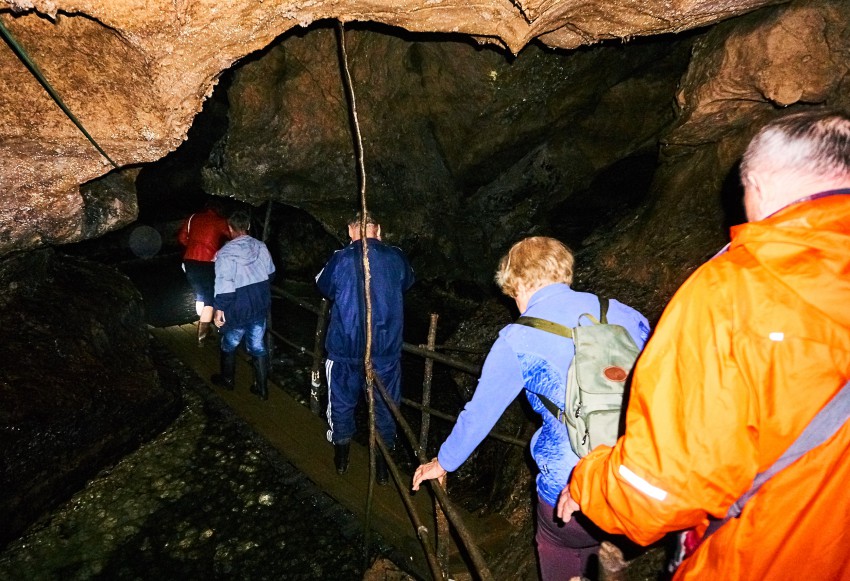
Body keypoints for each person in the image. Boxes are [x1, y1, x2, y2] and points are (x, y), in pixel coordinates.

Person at [559, 110, 850, 579]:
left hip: (763, 557)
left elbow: (661, 486)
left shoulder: (734, 293)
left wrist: (587, 481)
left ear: (757, 185)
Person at [412, 236, 650, 580]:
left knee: (562, 547)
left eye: (513, 294)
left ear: (520, 283)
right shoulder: (623, 313)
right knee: (607, 557)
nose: (515, 303)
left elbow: (479, 414)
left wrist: (443, 462)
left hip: (571, 486)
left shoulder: (518, 338)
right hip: (637, 476)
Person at [316, 212, 415, 485]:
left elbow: (323, 286)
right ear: (377, 229)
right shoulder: (396, 257)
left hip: (345, 348)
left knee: (341, 403)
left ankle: (342, 458)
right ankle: (382, 468)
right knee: (386, 406)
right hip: (385, 349)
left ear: (351, 231)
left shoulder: (341, 258)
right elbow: (408, 281)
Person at [211, 210, 276, 401]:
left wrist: (219, 309)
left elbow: (225, 285)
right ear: (247, 226)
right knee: (257, 345)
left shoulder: (225, 254)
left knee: (229, 343)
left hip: (237, 306)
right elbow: (271, 273)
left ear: (230, 229)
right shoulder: (261, 246)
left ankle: (227, 380)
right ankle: (262, 389)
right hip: (259, 303)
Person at [178, 200, 231, 345]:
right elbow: (232, 235)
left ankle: (204, 326)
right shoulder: (219, 221)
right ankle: (202, 337)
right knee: (209, 298)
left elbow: (182, 238)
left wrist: (193, 246)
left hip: (189, 261)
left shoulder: (192, 217)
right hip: (208, 263)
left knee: (200, 293)